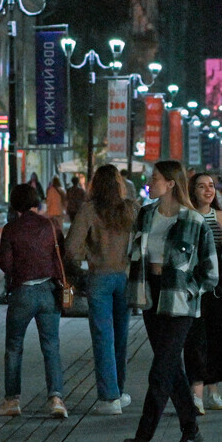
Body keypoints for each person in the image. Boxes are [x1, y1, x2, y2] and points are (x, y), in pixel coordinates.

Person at [122, 161, 217, 442]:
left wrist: (190, 290)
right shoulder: (146, 214)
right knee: (171, 367)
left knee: (160, 369)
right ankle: (191, 429)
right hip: (151, 295)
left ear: (171, 183)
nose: (151, 182)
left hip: (180, 301)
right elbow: (133, 253)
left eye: (156, 178)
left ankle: (143, 437)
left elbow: (210, 270)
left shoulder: (193, 220)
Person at [65, 164, 138, 415]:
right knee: (121, 337)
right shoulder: (130, 208)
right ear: (119, 184)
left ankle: (109, 398)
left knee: (102, 338)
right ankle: (119, 390)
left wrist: (87, 257)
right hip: (125, 277)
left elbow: (72, 248)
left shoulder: (89, 210)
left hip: (99, 277)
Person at [0, 183, 69, 420]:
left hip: (23, 292)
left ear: (14, 204)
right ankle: (56, 398)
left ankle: (12, 400)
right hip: (49, 291)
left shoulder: (11, 229)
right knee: (51, 346)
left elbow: (5, 265)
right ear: (37, 202)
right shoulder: (51, 225)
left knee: (14, 346)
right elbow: (63, 254)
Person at [184, 172, 222, 413]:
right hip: (194, 286)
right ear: (192, 191)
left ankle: (213, 390)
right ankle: (196, 392)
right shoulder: (187, 216)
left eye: (211, 186)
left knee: (218, 338)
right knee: (195, 339)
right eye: (202, 186)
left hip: (218, 289)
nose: (208, 190)